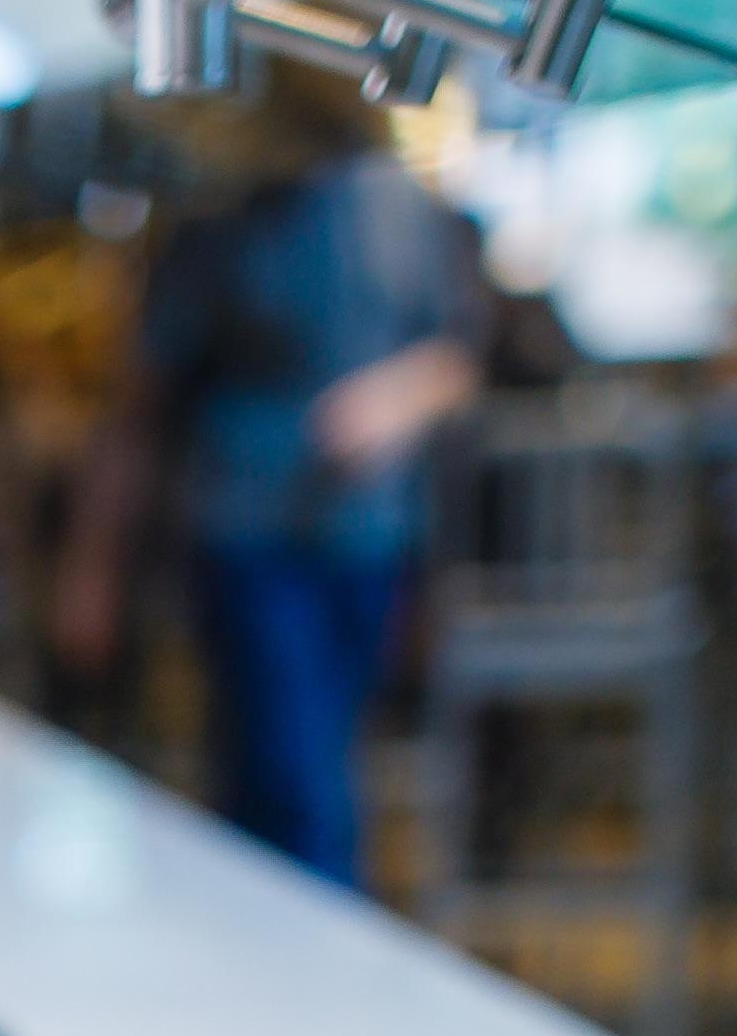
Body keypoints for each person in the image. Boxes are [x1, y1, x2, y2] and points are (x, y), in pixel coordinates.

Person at [54, 73, 476, 889]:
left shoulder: (399, 206)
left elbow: (456, 356)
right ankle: (309, 977)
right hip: (248, 532)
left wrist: (395, 398)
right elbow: (139, 405)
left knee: (306, 771)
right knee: (295, 780)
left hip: (368, 535)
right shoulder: (218, 220)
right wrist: (93, 568)